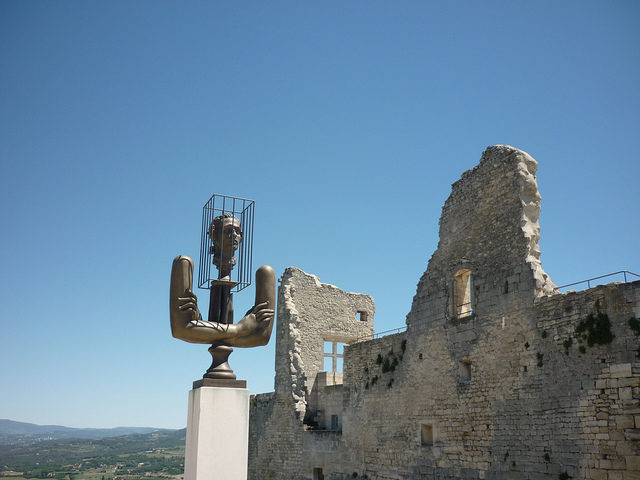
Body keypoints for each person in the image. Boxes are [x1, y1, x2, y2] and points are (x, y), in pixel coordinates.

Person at [169, 214, 275, 347]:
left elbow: (261, 336)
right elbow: (180, 330)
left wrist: (205, 330)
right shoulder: (183, 263)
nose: (234, 235)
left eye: (238, 231)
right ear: (215, 236)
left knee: (266, 271)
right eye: (228, 230)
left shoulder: (265, 274)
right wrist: (240, 329)